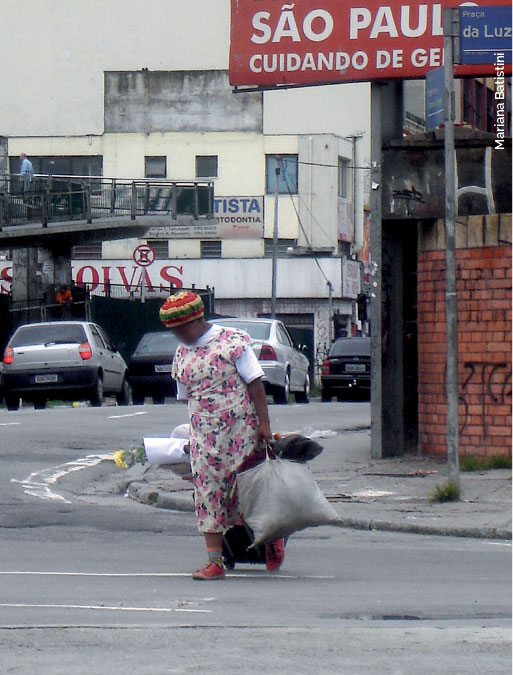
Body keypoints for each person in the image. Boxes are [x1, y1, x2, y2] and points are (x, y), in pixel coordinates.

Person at [161, 291, 285, 580]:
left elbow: (255, 384)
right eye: (174, 332)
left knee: (246, 493)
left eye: (182, 329)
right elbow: (185, 395)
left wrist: (264, 425)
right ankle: (214, 562)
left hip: (240, 431)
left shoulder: (232, 342)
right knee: (208, 495)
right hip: (204, 437)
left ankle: (271, 539)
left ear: (198, 319)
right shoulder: (182, 354)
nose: (179, 336)